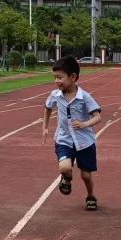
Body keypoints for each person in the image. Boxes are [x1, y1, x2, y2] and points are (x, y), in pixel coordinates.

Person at [42, 56, 102, 211]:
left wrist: (84, 124)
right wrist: (45, 127)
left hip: (84, 142)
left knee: (86, 176)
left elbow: (97, 117)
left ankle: (90, 195)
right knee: (64, 168)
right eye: (55, 77)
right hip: (64, 139)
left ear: (73, 77)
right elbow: (48, 108)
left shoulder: (85, 97)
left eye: (60, 77)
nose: (56, 81)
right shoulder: (55, 95)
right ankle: (66, 180)